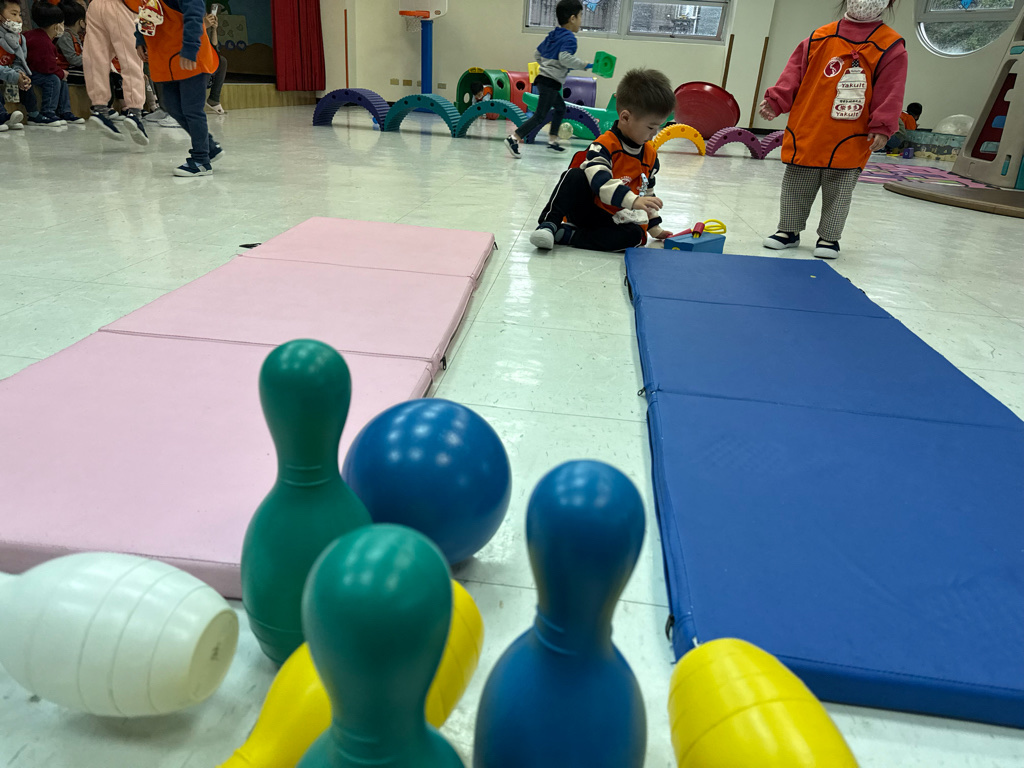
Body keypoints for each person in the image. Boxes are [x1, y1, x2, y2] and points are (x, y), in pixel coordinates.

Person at [758, 0, 908, 260]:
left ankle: (829, 237)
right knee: (796, 183)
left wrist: (883, 126)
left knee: (839, 189)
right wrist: (776, 100)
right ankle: (788, 231)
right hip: (810, 126)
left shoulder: (891, 46)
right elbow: (793, 74)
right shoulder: (820, 37)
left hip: (852, 133)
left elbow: (891, 90)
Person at [529, 67, 676, 253]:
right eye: (650, 127)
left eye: (658, 127)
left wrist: (655, 228)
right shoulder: (604, 146)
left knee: (636, 237)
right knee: (574, 175)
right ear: (625, 117)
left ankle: (569, 236)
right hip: (587, 208)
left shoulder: (650, 155)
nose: (654, 134)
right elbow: (601, 183)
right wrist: (633, 200)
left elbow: (647, 192)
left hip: (615, 218)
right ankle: (549, 225)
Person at [127, 0, 223, 176]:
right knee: (171, 106)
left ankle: (201, 160)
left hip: (190, 57)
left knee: (192, 109)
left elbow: (194, 14)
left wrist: (190, 48)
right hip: (167, 59)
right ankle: (209, 147)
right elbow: (146, 12)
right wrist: (140, 39)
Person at [505, 0, 590, 159]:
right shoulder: (570, 38)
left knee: (560, 108)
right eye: (580, 16)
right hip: (550, 82)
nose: (581, 21)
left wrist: (548, 66)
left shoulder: (554, 34)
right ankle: (514, 138)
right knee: (539, 116)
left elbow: (537, 54)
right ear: (572, 19)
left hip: (544, 80)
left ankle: (552, 140)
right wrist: (583, 65)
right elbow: (564, 58)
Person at [83, 0, 148, 142]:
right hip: (123, 5)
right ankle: (135, 113)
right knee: (131, 60)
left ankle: (100, 108)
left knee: (96, 58)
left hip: (95, 6)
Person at [24, 0, 82, 126]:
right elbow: (47, 67)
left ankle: (64, 111)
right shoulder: (43, 41)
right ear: (56, 26)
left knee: (60, 78)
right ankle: (48, 111)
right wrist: (60, 73)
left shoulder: (40, 36)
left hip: (35, 71)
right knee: (54, 79)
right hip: (30, 73)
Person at [0, 0, 30, 131]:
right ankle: (2, 116)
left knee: (28, 82)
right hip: (4, 73)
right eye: (13, 14)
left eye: (20, 14)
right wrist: (13, 75)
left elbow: (19, 62)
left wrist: (20, 73)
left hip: (5, 73)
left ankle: (6, 117)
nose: (18, 19)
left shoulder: (20, 38)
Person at [56, 0, 85, 86]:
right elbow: (73, 59)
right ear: (81, 22)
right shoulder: (65, 36)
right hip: (66, 70)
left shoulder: (76, 35)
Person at [204, 8, 226, 114]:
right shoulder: (191, 23)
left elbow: (214, 48)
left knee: (222, 61)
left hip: (205, 61)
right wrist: (203, 26)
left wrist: (214, 29)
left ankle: (214, 98)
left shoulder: (206, 26)